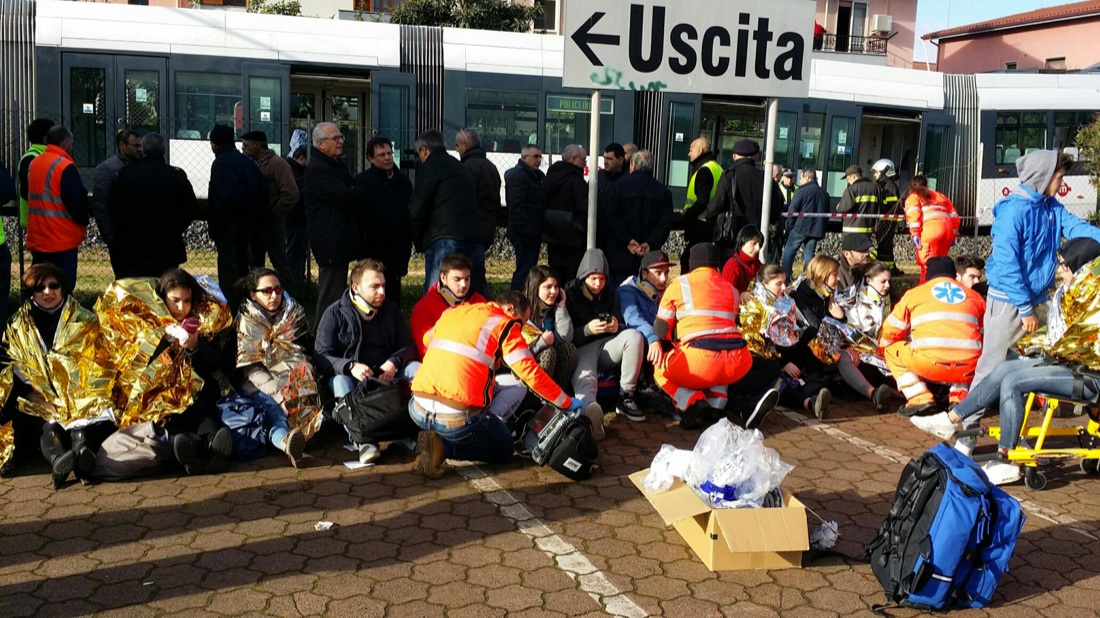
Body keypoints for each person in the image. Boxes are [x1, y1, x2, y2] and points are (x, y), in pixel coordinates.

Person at [911, 239, 1100, 483]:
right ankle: (951, 420)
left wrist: (1042, 348)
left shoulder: (1094, 299)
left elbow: (1082, 345)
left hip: (1087, 376)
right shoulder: (1070, 292)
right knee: (1004, 367)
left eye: (1065, 265)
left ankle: (1006, 459)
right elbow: (1057, 338)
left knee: (1014, 380)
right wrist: (1029, 347)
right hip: (1065, 363)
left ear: (1083, 268)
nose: (1059, 269)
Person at [410, 291, 580, 479]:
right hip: (456, 418)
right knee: (504, 450)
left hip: (417, 406)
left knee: (503, 387)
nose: (521, 331)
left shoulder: (454, 311)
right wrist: (566, 402)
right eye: (522, 324)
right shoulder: (505, 324)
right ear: (509, 309)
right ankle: (444, 447)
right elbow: (529, 372)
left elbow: (428, 339)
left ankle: (437, 437)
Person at [972, 150, 1100, 389]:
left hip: (1039, 300)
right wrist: (1024, 308)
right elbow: (1007, 264)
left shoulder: (1051, 207)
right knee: (990, 367)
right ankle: (967, 422)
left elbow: (1079, 228)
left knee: (1050, 357)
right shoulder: (1013, 211)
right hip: (1009, 302)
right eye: (1059, 177)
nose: (1063, 183)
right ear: (1043, 176)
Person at [94, 269, 235, 477]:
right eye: (175, 300)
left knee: (204, 415)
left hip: (197, 393)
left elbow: (214, 363)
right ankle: (196, 451)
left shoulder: (200, 322)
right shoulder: (146, 325)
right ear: (162, 299)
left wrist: (194, 346)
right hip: (160, 397)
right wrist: (162, 341)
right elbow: (135, 365)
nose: (181, 307)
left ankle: (212, 447)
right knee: (174, 427)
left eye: (187, 300)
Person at [2, 264, 117, 489]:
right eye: (39, 288)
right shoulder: (16, 326)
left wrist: (77, 400)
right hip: (39, 400)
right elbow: (9, 372)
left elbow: (101, 368)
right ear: (30, 293)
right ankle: (59, 462)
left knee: (81, 425)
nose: (47, 292)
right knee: (49, 427)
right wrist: (37, 398)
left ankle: (82, 456)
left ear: (63, 288)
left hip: (83, 396)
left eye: (54, 285)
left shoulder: (85, 320)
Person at [315, 259, 419, 464]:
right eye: (375, 286)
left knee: (417, 369)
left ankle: (412, 428)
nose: (382, 291)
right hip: (353, 379)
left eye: (383, 285)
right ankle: (363, 440)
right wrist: (350, 366)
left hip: (386, 375)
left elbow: (408, 346)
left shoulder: (391, 310)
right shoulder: (334, 313)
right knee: (339, 382)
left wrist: (394, 361)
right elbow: (321, 355)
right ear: (356, 287)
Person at [653, 243, 752, 428]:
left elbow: (660, 328)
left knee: (659, 366)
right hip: (738, 361)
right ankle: (716, 407)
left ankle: (693, 401)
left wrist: (668, 349)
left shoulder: (680, 284)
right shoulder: (732, 289)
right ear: (717, 265)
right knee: (718, 374)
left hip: (700, 360)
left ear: (692, 264)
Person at [233, 268, 322, 468]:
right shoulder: (246, 321)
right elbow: (251, 370)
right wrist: (281, 397)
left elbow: (306, 350)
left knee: (305, 391)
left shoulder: (293, 313)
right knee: (275, 411)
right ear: (253, 294)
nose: (274, 295)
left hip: (292, 373)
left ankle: (303, 435)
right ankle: (285, 442)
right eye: (266, 291)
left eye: (278, 290)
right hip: (257, 382)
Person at [880, 257, 985, 417]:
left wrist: (882, 347)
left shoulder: (914, 294)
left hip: (928, 363)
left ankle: (919, 398)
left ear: (929, 275)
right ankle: (959, 397)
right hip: (969, 367)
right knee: (966, 351)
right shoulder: (975, 297)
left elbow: (891, 330)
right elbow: (984, 334)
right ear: (954, 275)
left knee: (891, 351)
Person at [566, 248, 646, 437]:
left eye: (602, 279)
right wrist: (587, 330)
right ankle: (590, 415)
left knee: (634, 336)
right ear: (583, 276)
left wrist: (616, 326)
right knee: (586, 379)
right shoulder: (569, 294)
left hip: (607, 346)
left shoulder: (612, 292)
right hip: (582, 347)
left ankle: (626, 396)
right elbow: (566, 337)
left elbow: (623, 323)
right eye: (593, 278)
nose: (598, 284)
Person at [741, 265, 831, 420]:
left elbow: (796, 330)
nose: (783, 287)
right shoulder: (754, 304)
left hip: (784, 352)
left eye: (784, 282)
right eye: (778, 284)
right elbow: (758, 344)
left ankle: (815, 382)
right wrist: (784, 363)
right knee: (777, 380)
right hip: (765, 358)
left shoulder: (784, 299)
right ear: (764, 284)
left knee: (810, 335)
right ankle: (809, 402)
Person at [410, 130, 490, 298]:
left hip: (444, 237)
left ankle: (436, 323)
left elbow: (416, 209)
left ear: (424, 150)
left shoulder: (430, 167)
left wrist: (419, 242)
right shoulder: (459, 166)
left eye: (419, 155)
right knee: (474, 290)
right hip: (473, 236)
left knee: (438, 291)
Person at [107, 133, 196, 278]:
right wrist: (175, 228)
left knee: (139, 289)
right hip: (168, 244)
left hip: (135, 245)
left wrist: (126, 231)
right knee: (167, 285)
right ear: (163, 151)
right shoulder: (177, 175)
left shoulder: (127, 174)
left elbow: (114, 208)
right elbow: (190, 209)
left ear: (143, 150)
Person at [305, 122, 367, 320]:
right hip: (329, 241)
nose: (341, 142)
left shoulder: (335, 165)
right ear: (320, 144)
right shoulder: (318, 169)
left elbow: (352, 191)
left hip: (338, 239)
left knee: (338, 292)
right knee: (330, 296)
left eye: (341, 137)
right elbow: (346, 197)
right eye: (336, 138)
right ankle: (322, 340)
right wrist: (355, 193)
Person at [208, 124, 268, 310]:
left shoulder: (220, 163)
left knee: (228, 271)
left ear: (214, 144)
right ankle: (246, 305)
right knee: (243, 267)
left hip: (227, 225)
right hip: (248, 224)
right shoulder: (247, 161)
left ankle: (232, 310)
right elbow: (265, 188)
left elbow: (229, 193)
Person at [617, 250, 680, 419]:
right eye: (658, 273)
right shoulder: (627, 290)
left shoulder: (667, 291)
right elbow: (633, 319)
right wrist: (653, 338)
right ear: (644, 273)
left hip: (657, 347)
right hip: (635, 347)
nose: (663, 278)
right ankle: (630, 394)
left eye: (666, 273)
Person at [26, 126, 89, 286]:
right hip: (61, 238)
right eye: (71, 144)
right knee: (63, 286)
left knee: (38, 284)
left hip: (39, 236)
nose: (71, 147)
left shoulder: (34, 163)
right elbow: (76, 202)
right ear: (65, 142)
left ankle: (32, 310)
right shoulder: (64, 165)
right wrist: (84, 220)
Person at [787, 255, 847, 419]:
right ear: (822, 274)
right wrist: (839, 319)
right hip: (800, 352)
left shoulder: (826, 295)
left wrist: (840, 319)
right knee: (813, 335)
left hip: (822, 350)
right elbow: (816, 327)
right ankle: (819, 388)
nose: (838, 279)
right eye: (835, 274)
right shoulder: (801, 296)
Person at [354, 136, 413, 302]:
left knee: (393, 293)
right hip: (371, 248)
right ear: (370, 158)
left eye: (389, 153)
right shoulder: (362, 182)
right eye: (381, 155)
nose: (387, 157)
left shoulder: (403, 182)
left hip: (396, 248)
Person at [603, 150, 673, 283]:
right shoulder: (664, 192)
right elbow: (665, 222)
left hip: (619, 255)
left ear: (632, 165)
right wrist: (650, 243)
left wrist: (627, 240)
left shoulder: (617, 187)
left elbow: (611, 217)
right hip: (650, 258)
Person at [241, 130, 297, 297]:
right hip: (257, 223)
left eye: (246, 145)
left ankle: (290, 301)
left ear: (257, 146)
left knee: (280, 263)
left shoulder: (277, 164)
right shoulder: (253, 163)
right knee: (255, 265)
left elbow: (292, 193)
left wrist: (274, 213)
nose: (243, 148)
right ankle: (259, 299)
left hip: (272, 224)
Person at [835, 261, 895, 412]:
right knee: (843, 356)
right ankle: (873, 395)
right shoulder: (854, 299)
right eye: (883, 281)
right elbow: (849, 332)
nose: (887, 285)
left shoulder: (886, 301)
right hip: (857, 350)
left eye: (889, 281)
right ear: (868, 280)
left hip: (879, 351)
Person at [410, 254, 488, 359]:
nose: (463, 285)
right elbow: (423, 349)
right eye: (457, 279)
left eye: (467, 279)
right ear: (443, 277)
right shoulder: (424, 307)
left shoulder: (480, 302)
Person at [706, 139, 780, 250]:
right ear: (756, 156)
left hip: (733, 237)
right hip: (758, 238)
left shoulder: (729, 176)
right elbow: (775, 211)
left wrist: (711, 219)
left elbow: (716, 205)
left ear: (734, 156)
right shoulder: (766, 179)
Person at [92, 129, 142, 277]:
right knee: (123, 275)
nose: (139, 149)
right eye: (135, 146)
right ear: (122, 145)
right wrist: (107, 231)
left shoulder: (140, 166)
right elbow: (100, 202)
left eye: (140, 146)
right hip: (118, 232)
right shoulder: (106, 169)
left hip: (137, 232)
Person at [522, 265, 577, 391]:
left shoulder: (553, 308)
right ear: (535, 288)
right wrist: (542, 343)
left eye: (556, 287)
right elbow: (522, 353)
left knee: (570, 350)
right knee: (548, 353)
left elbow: (565, 339)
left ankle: (557, 397)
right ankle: (536, 400)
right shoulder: (523, 311)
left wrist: (561, 307)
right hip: (527, 367)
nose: (554, 292)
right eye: (548, 287)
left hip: (551, 361)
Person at [543, 144, 590, 281]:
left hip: (552, 237)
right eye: (583, 159)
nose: (585, 163)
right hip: (573, 241)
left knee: (555, 274)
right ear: (574, 159)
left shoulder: (549, 179)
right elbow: (584, 210)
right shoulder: (577, 182)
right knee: (571, 277)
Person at [905, 174, 960, 283]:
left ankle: (925, 293)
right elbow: (955, 217)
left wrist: (915, 233)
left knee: (927, 266)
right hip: (947, 233)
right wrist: (953, 236)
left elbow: (914, 214)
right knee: (941, 265)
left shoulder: (913, 196)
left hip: (930, 233)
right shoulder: (940, 195)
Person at [505, 144, 545, 291]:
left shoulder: (533, 176)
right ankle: (517, 299)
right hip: (524, 233)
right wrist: (529, 231)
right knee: (524, 269)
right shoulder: (519, 177)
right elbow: (517, 207)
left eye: (540, 156)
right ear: (524, 157)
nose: (539, 160)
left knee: (527, 269)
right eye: (535, 156)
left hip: (530, 231)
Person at [455, 128, 502, 254]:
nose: (456, 149)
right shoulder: (491, 167)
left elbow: (463, 200)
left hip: (470, 227)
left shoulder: (466, 168)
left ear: (466, 145)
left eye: (457, 145)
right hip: (488, 225)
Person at [682, 137, 723, 272]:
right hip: (713, 225)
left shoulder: (704, 170)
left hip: (700, 225)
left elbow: (702, 201)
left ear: (700, 151)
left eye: (691, 150)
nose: (688, 154)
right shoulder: (717, 168)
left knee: (688, 261)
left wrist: (687, 216)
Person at [782, 168, 829, 279]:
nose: (800, 180)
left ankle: (785, 277)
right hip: (815, 230)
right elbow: (826, 215)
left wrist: (789, 227)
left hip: (800, 228)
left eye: (801, 178)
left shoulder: (801, 191)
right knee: (809, 255)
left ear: (807, 178)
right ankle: (806, 279)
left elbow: (792, 211)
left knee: (789, 252)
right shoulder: (824, 193)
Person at [17, 118, 55, 230]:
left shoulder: (33, 155)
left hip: (38, 217)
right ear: (45, 139)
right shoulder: (34, 158)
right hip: (38, 219)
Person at [284, 140, 309, 297]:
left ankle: (296, 282)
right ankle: (294, 285)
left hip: (294, 219)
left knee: (296, 252)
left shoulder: (292, 170)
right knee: (295, 253)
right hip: (296, 219)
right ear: (301, 158)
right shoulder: (298, 174)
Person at [871, 158, 902, 272]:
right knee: (884, 246)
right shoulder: (883, 185)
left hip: (887, 221)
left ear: (884, 172)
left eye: (877, 172)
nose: (875, 175)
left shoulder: (889, 186)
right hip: (883, 220)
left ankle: (888, 268)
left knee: (885, 246)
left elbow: (893, 206)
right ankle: (887, 268)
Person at [836, 164, 879, 241]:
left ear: (854, 177)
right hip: (868, 230)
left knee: (851, 252)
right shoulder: (874, 188)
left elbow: (843, 208)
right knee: (863, 252)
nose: (848, 182)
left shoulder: (851, 189)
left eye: (848, 179)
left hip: (852, 230)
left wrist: (838, 206)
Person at [720, 225, 764, 294]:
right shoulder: (733, 264)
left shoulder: (757, 264)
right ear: (742, 242)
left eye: (760, 245)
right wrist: (740, 295)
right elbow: (725, 292)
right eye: (754, 243)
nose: (758, 248)